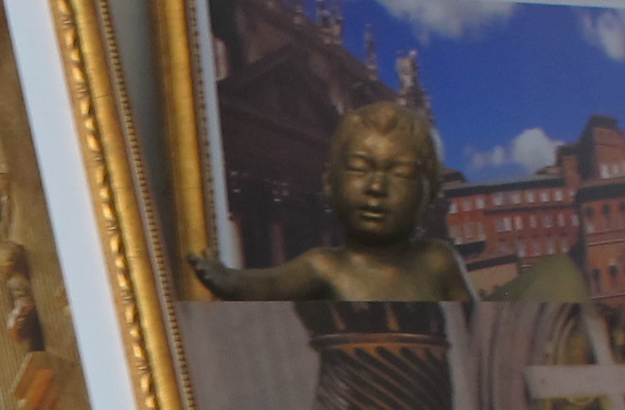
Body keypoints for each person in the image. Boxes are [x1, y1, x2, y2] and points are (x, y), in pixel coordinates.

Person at [191, 100, 475, 302]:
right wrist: (229, 281)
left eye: (400, 173)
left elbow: (477, 334)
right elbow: (271, 284)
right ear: (329, 183)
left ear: (430, 194)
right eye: (359, 168)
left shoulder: (438, 262)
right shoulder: (323, 266)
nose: (376, 187)